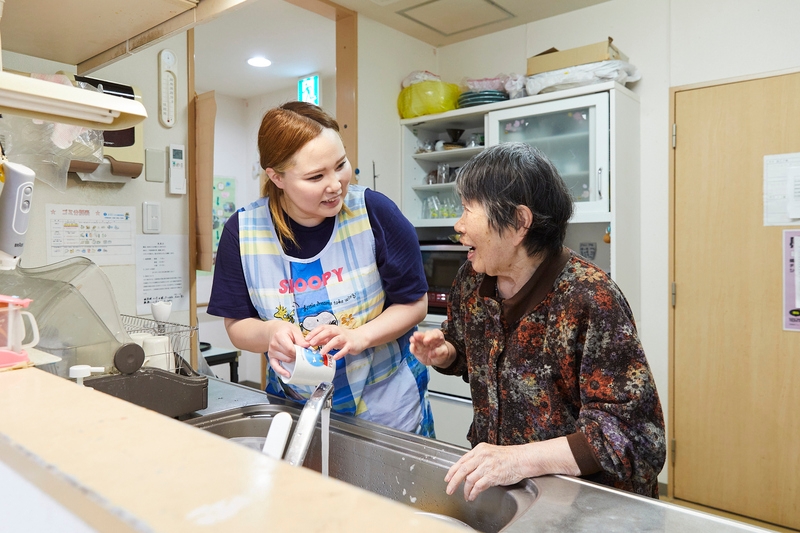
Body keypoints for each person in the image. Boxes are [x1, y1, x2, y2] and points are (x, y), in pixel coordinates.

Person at [410, 142, 665, 499]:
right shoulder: (472, 279)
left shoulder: (589, 298)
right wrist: (448, 353)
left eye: (469, 210)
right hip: (507, 491)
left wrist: (518, 460)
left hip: (583, 503)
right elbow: (471, 352)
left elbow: (635, 438)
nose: (459, 225)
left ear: (518, 223)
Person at [208, 101, 433, 437]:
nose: (335, 184)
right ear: (276, 177)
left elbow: (415, 303)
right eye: (316, 176)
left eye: (341, 165)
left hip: (387, 411)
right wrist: (271, 333)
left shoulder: (374, 212)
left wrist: (359, 336)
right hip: (297, 410)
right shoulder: (242, 232)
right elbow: (237, 324)